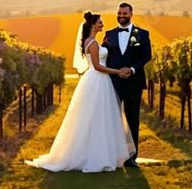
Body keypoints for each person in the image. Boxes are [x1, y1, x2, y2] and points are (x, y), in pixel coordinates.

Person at [25, 12, 136, 173]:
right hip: (98, 79)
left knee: (98, 117)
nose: (102, 25)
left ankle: (98, 153)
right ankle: (95, 156)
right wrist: (118, 71)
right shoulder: (91, 43)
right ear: (92, 25)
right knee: (96, 116)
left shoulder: (92, 41)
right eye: (100, 23)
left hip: (98, 80)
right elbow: (98, 66)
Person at [103, 2, 152, 168]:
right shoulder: (108, 34)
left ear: (131, 14)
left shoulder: (143, 34)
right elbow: (103, 56)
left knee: (133, 119)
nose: (121, 16)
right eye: (119, 13)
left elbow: (147, 56)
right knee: (112, 119)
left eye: (124, 13)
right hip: (114, 83)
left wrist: (131, 69)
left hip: (134, 83)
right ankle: (113, 154)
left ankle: (132, 156)